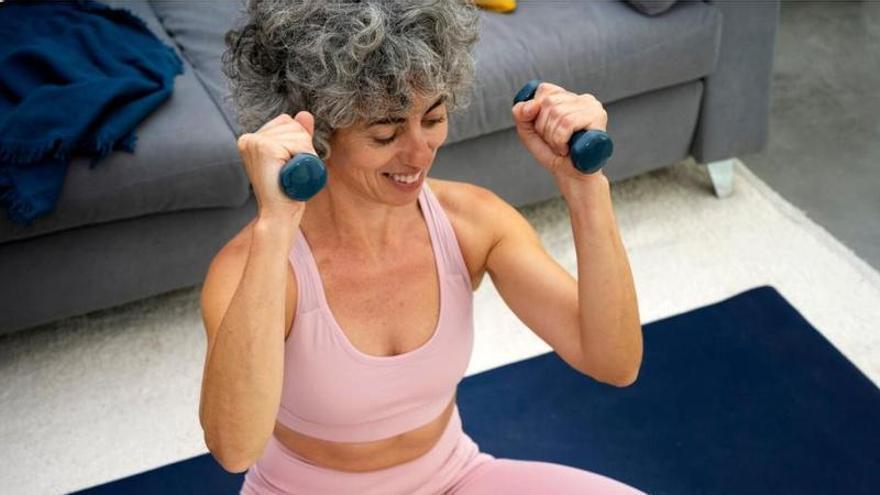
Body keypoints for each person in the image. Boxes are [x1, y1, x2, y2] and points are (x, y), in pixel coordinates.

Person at [200, 1, 645, 493]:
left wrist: (585, 188)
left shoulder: (472, 222)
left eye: (432, 119)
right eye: (386, 133)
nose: (419, 153)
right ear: (317, 134)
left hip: (452, 477)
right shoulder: (254, 265)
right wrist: (274, 226)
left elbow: (614, 362)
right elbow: (234, 449)